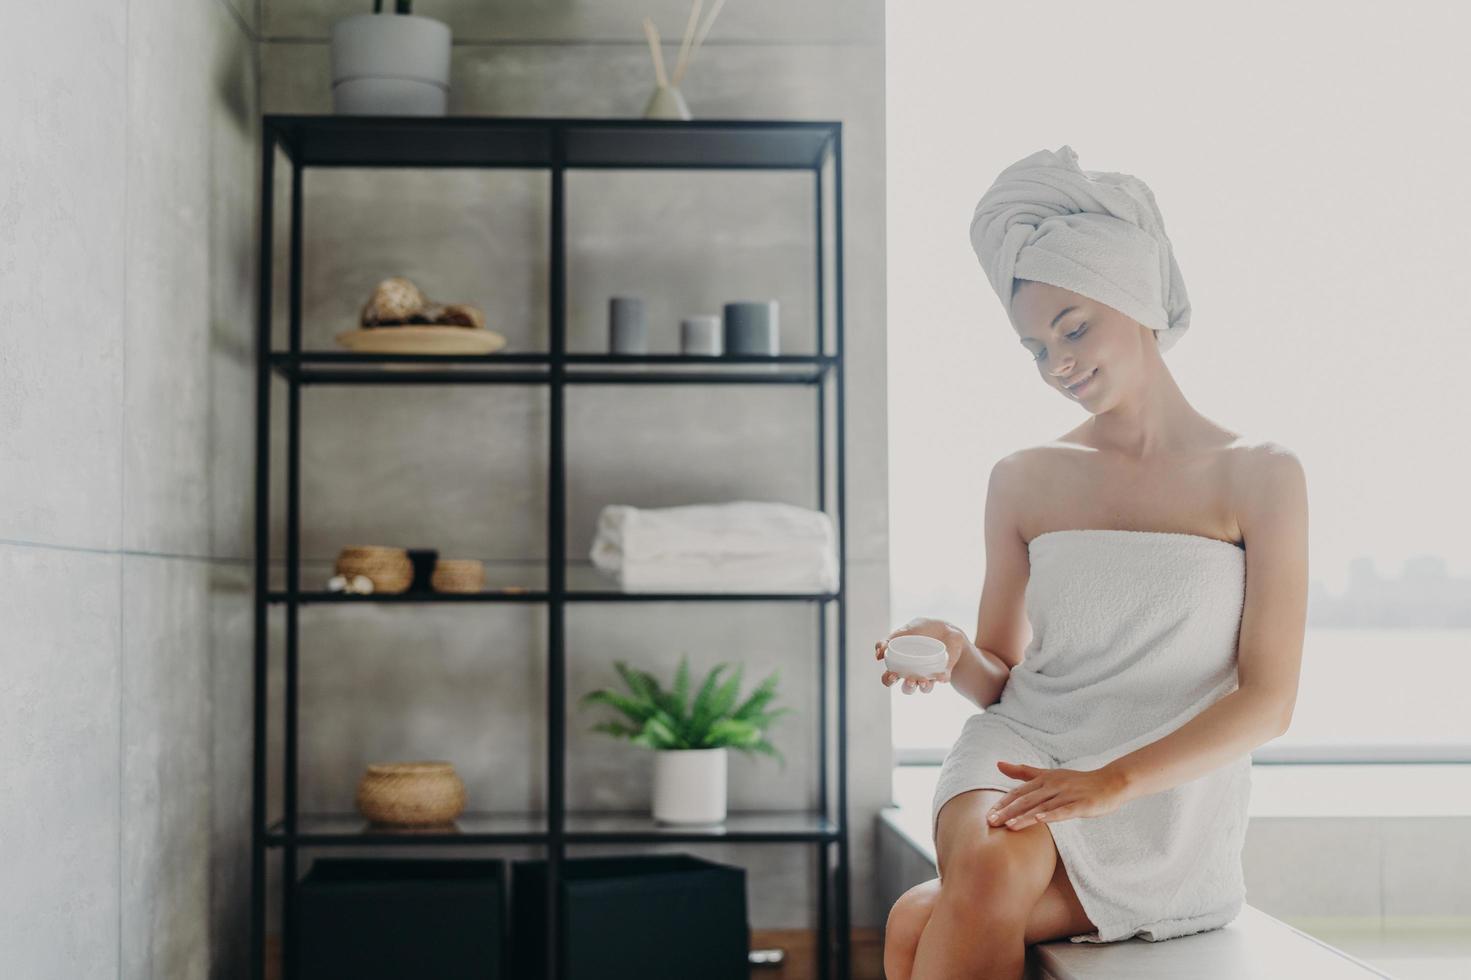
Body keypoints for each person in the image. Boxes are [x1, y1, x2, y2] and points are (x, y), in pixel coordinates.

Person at [878, 146, 1308, 980]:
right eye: (1035, 348)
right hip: (1021, 745)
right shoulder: (1023, 478)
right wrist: (955, 652)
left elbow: (1268, 702)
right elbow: (1001, 674)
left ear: (1138, 300)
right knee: (996, 861)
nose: (1058, 363)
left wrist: (1110, 783)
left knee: (913, 922)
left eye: (1073, 327)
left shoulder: (1259, 475)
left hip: (1159, 800)